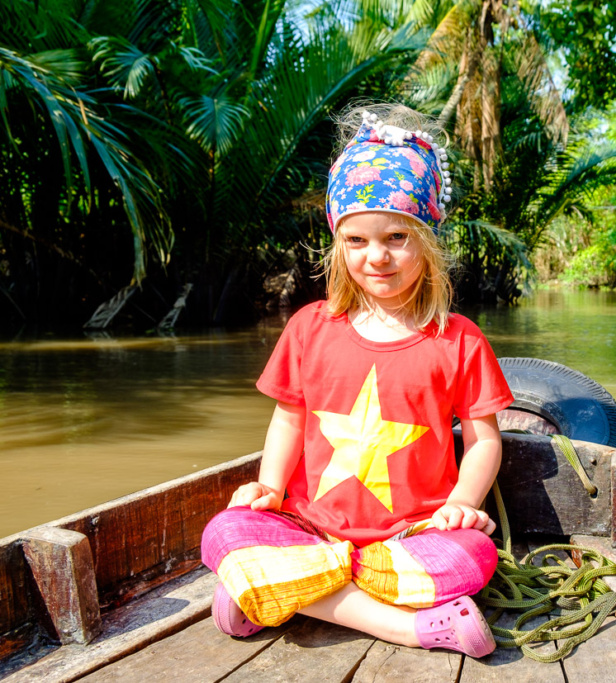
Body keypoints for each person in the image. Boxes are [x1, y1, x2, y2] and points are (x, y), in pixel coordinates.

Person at [200, 105, 514, 658]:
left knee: (471, 558)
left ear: (429, 242)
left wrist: (464, 502)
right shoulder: (308, 328)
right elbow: (288, 419)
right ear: (337, 247)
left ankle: (277, 594)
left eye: (397, 236)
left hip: (411, 535)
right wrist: (271, 488)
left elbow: (485, 438)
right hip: (312, 528)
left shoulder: (458, 338)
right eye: (357, 241)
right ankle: (404, 626)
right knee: (223, 532)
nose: (377, 257)